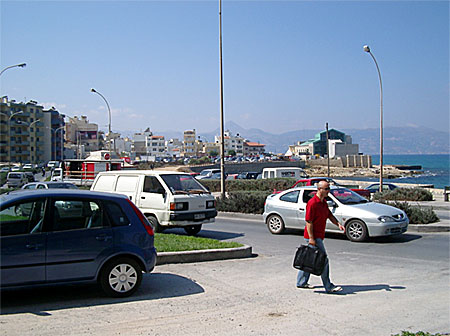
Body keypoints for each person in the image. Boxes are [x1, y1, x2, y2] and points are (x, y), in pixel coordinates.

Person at [296, 180, 345, 293]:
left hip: (318, 235)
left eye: (329, 189)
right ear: (319, 189)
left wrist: (338, 224)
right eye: (326, 189)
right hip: (313, 236)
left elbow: (329, 215)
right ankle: (328, 286)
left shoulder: (323, 202)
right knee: (323, 260)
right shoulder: (312, 203)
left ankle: (301, 282)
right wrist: (312, 239)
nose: (329, 191)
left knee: (310, 258)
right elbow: (309, 222)